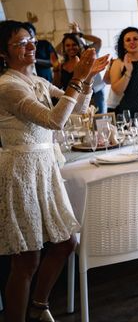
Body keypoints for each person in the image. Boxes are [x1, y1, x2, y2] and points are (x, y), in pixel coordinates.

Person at [0, 20, 109, 322]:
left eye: (32, 40)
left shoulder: (37, 81)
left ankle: (39, 305)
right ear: (3, 53)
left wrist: (86, 79)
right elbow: (54, 121)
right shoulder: (7, 86)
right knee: (26, 259)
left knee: (66, 242)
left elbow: (76, 109)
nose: (32, 46)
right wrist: (77, 77)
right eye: (21, 43)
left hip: (44, 166)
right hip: (21, 169)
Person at [52, 22, 107, 113]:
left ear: (80, 45)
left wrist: (79, 35)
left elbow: (98, 41)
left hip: (93, 95)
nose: (71, 48)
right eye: (67, 45)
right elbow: (56, 50)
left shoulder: (88, 55)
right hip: (72, 99)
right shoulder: (62, 65)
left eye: (74, 44)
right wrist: (69, 36)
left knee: (96, 122)